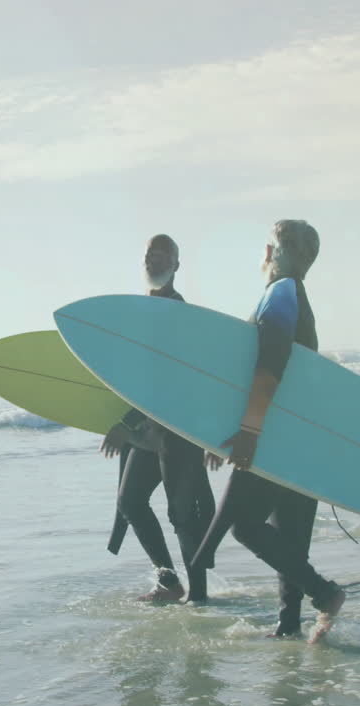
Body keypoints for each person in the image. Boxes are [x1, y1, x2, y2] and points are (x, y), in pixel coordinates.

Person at [192, 219, 345, 642]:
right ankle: (289, 626)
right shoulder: (299, 298)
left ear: (279, 252)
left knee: (245, 525)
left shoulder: (281, 292)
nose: (265, 254)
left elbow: (270, 362)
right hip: (304, 438)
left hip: (278, 436)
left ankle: (323, 593)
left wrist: (248, 429)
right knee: (291, 537)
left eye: (270, 246)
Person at [102, 234, 215, 603]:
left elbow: (171, 379)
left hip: (176, 431)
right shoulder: (140, 311)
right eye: (149, 255)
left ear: (176, 266)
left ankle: (198, 598)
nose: (154, 261)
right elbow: (135, 374)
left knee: (182, 516)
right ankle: (169, 580)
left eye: (162, 256)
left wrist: (126, 423)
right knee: (131, 501)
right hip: (150, 431)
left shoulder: (176, 314)